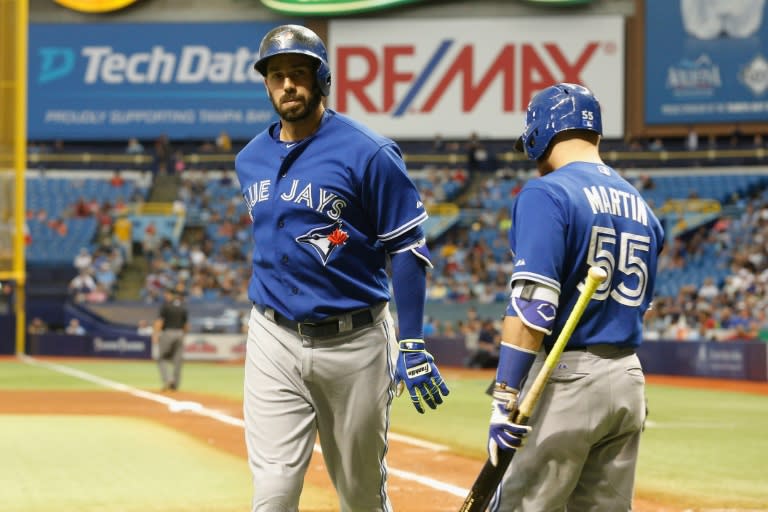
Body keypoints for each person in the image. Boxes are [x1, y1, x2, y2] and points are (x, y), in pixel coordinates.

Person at [234, 24, 449, 512]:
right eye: (276, 75)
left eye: (298, 73)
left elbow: (408, 248)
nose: (287, 84)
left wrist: (413, 341)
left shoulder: (369, 153)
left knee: (359, 498)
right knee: (272, 494)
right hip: (272, 336)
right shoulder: (250, 159)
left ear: (322, 78)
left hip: (354, 341)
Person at [486, 83, 665, 511]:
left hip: (564, 378)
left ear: (541, 133)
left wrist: (505, 397)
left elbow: (534, 305)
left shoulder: (546, 193)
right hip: (627, 380)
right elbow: (644, 306)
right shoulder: (642, 205)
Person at [152, 286, 188, 391]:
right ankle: (175, 385)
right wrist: (183, 336)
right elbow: (186, 325)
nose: (165, 296)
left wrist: (155, 334)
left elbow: (160, 322)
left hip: (168, 333)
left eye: (166, 294)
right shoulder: (182, 306)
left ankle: (168, 380)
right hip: (180, 333)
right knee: (177, 361)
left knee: (161, 358)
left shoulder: (166, 306)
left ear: (171, 295)